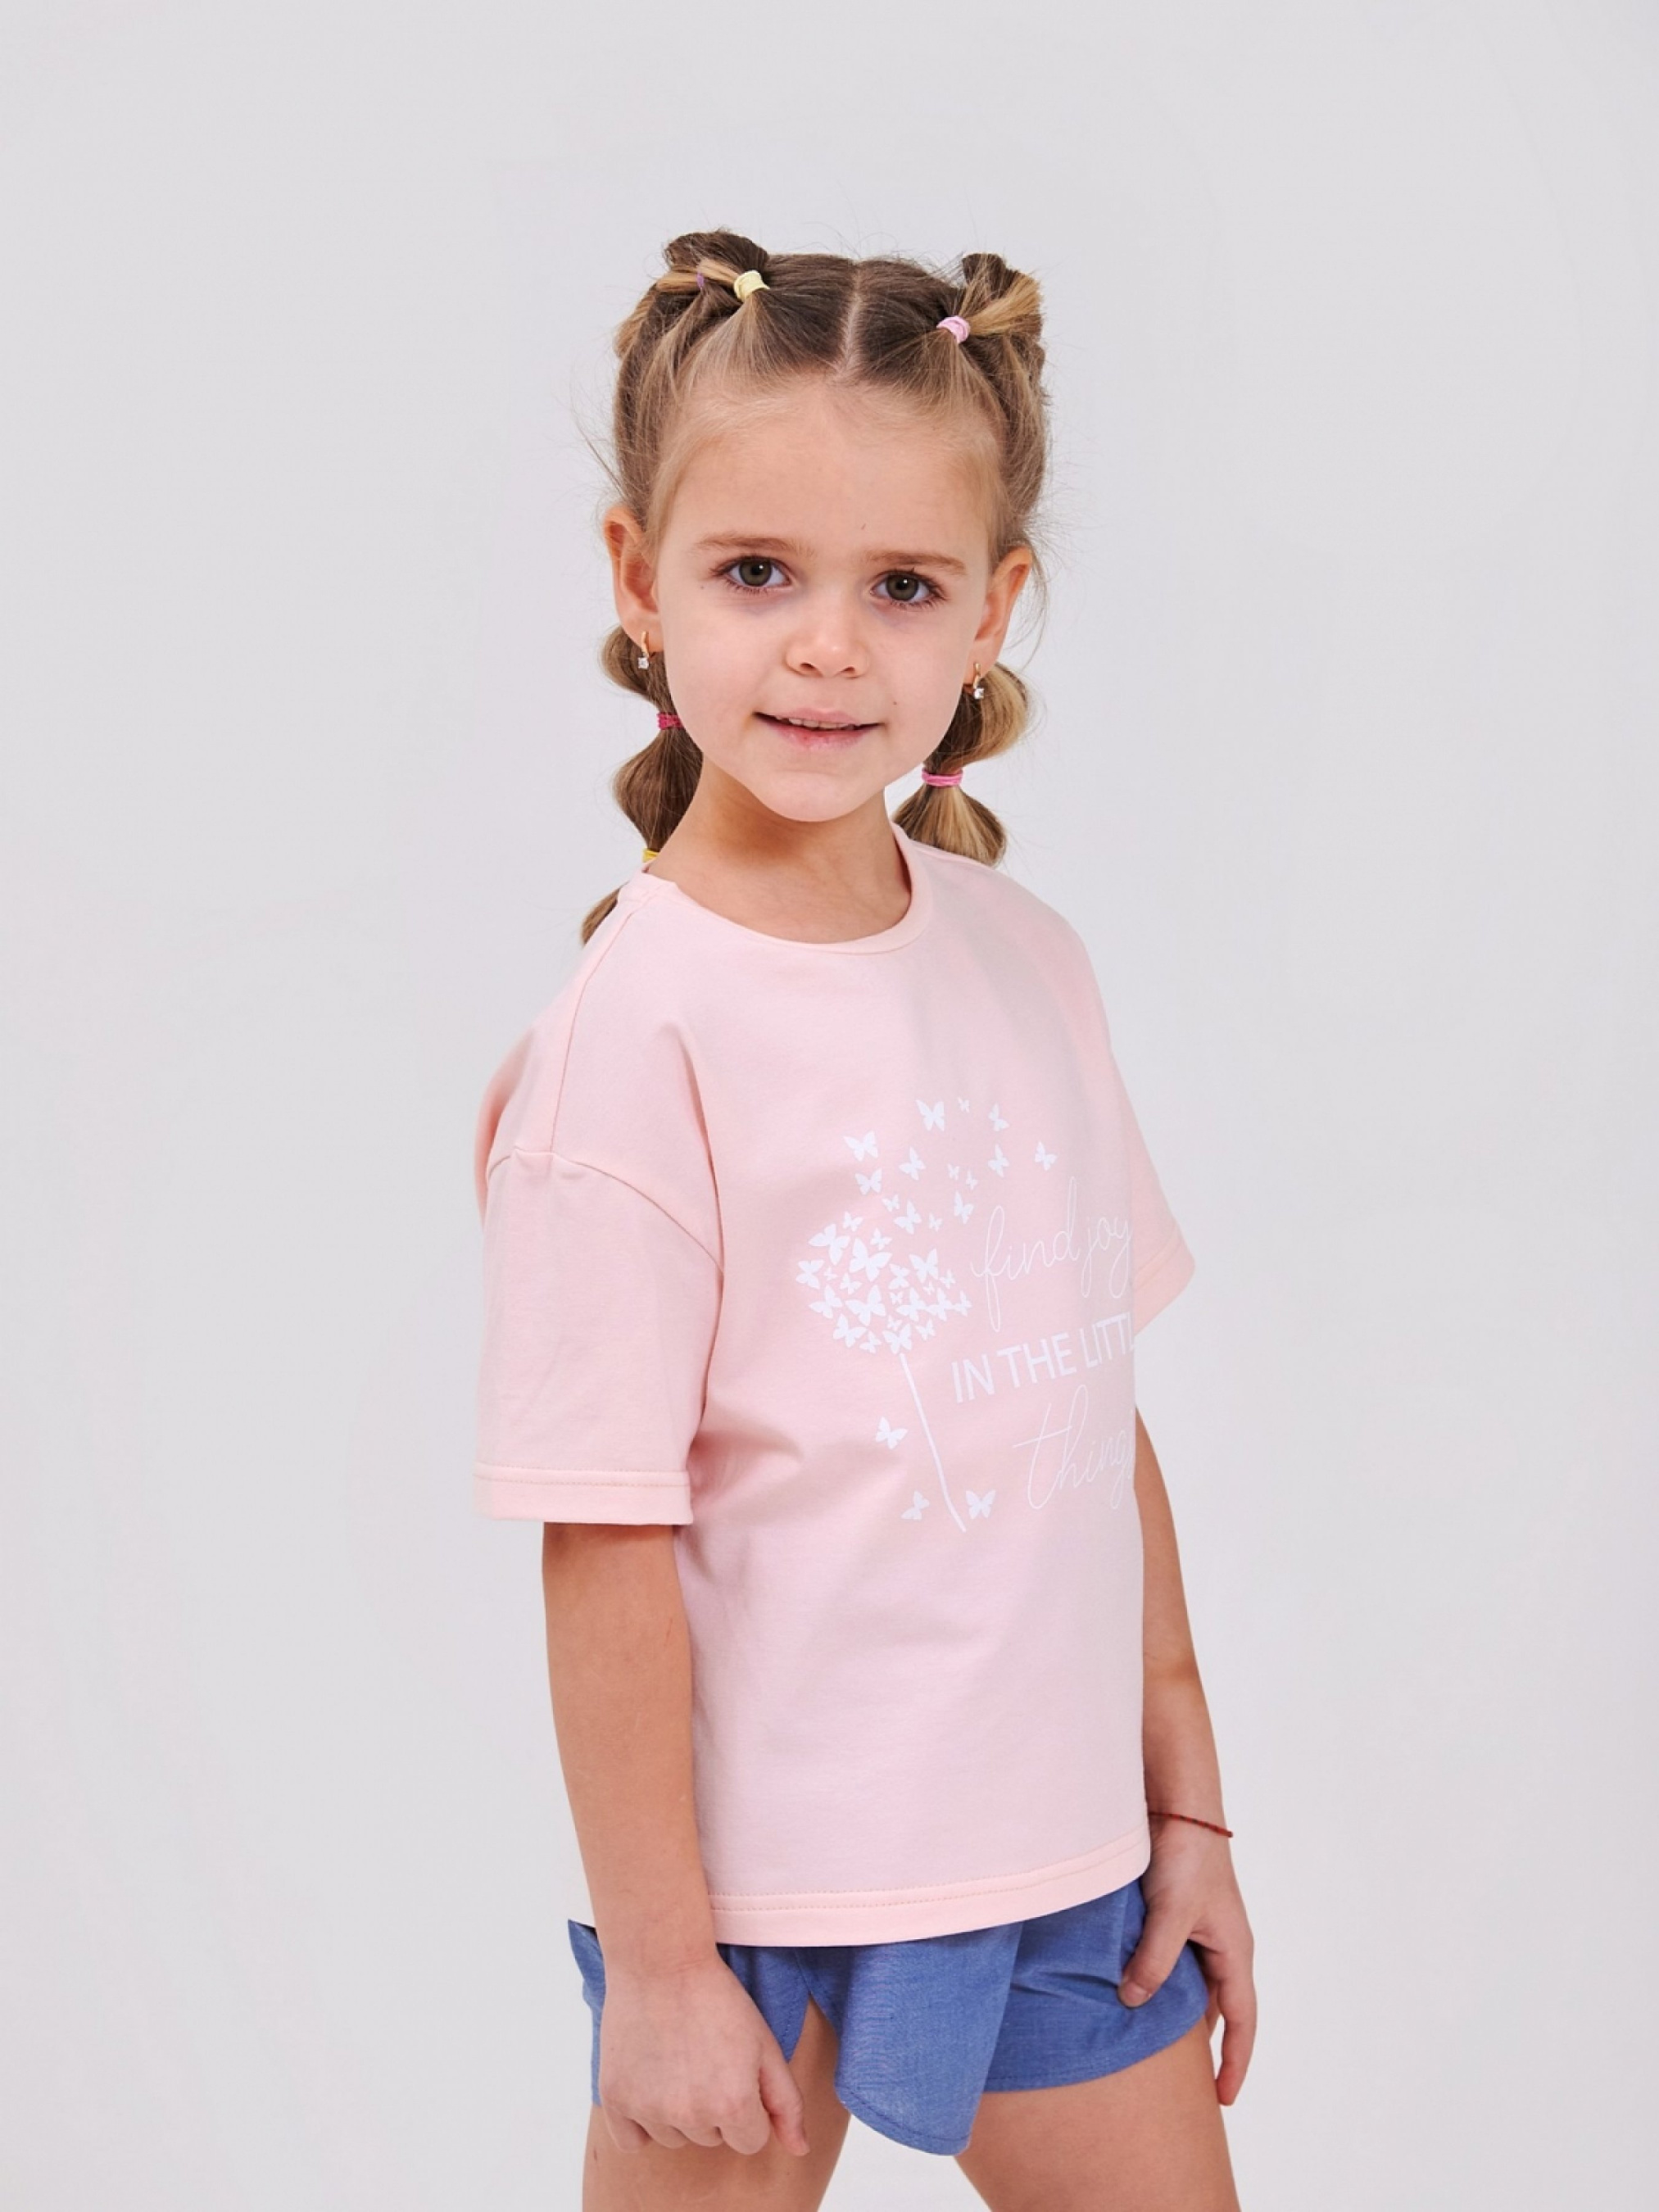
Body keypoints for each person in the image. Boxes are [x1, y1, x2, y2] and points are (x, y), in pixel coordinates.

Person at [470, 230, 1255, 2211]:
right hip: (757, 1905)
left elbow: (1083, 1406)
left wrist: (1187, 1810)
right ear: (637, 578)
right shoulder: (634, 1041)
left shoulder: (1023, 958)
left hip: (1070, 1881)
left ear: (990, 609)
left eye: (898, 586)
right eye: (755, 573)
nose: (826, 648)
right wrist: (663, 1968)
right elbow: (603, 1536)